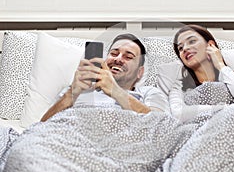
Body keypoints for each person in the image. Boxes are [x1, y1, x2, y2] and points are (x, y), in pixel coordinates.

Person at [41, 33, 169, 121]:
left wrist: (115, 91)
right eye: (114, 53)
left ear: (139, 73)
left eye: (128, 57)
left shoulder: (149, 93)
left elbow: (161, 128)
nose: (118, 59)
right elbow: (40, 128)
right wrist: (71, 94)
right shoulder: (74, 90)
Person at [158, 24, 234, 122]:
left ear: (210, 45)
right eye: (180, 48)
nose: (185, 49)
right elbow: (179, 114)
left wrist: (220, 65)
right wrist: (230, 108)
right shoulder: (179, 87)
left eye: (192, 41)